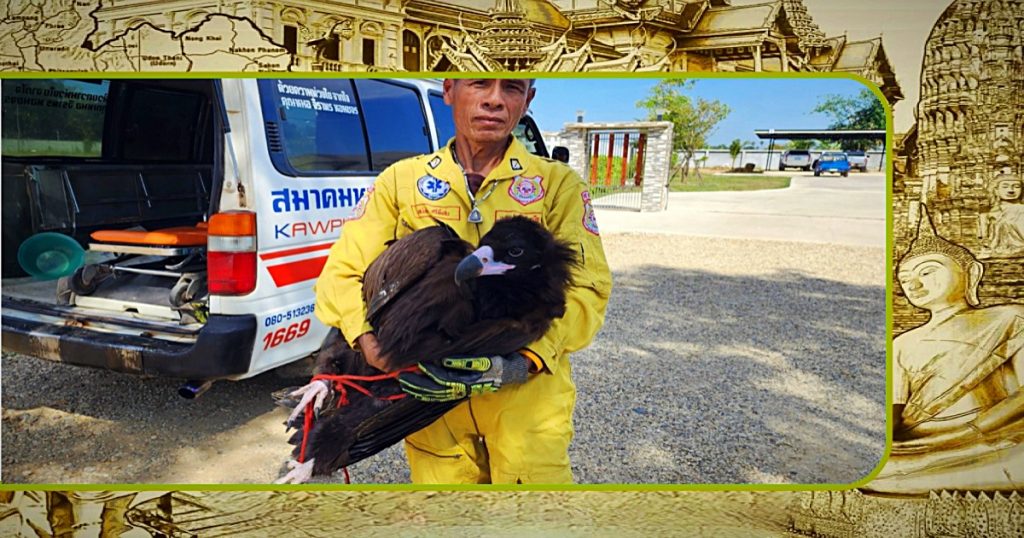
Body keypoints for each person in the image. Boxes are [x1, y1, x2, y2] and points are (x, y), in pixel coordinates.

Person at [313, 78, 612, 484]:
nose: (494, 100)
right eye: (479, 85)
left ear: (528, 100)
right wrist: (369, 342)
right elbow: (342, 271)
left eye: (511, 89)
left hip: (526, 400)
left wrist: (526, 358)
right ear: (449, 90)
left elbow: (588, 289)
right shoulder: (401, 181)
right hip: (428, 401)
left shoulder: (558, 185)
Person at [866, 206, 1024, 494]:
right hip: (922, 446)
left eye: (927, 271)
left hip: (995, 437)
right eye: (905, 279)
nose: (914, 284)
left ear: (971, 272)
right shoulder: (902, 343)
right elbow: (894, 413)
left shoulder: (1010, 319)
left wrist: (975, 429)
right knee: (878, 470)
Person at [978, 171, 1024, 258]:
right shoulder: (991, 211)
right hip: (997, 250)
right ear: (996, 190)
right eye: (1005, 187)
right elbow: (984, 236)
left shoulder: (1021, 209)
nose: (1011, 190)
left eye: (1016, 187)